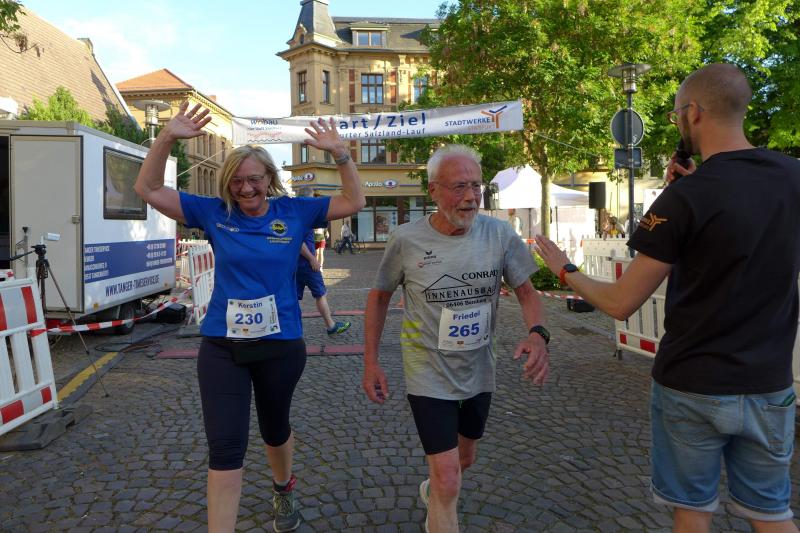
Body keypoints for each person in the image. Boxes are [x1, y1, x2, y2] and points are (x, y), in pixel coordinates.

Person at [535, 63, 800, 533]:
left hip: (693, 382)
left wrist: (564, 269)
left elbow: (620, 303)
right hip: (769, 382)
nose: (678, 122)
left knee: (692, 511)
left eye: (677, 114)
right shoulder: (792, 177)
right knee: (772, 513)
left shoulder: (684, 197)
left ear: (694, 113)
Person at [134, 101, 365, 533]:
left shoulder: (294, 211)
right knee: (225, 447)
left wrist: (341, 154)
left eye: (254, 179)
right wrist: (165, 137)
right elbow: (147, 189)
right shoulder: (214, 212)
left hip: (281, 346)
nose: (246, 189)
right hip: (223, 347)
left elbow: (355, 200)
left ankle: (283, 487)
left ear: (269, 179)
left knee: (275, 429)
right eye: (237, 181)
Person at [362, 144, 550, 533]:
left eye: (476, 186)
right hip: (426, 369)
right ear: (433, 190)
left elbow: (527, 292)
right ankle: (441, 496)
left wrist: (538, 334)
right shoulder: (406, 240)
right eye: (459, 187)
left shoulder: (499, 234)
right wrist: (371, 361)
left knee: (464, 461)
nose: (470, 197)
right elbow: (379, 297)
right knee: (449, 475)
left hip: (479, 369)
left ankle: (433, 491)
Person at [295, 187, 351, 336]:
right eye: (313, 198)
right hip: (307, 265)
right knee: (320, 294)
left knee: (293, 297)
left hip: (295, 265)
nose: (314, 200)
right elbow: (298, 241)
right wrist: (312, 258)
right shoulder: (303, 215)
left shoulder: (296, 213)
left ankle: (294, 328)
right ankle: (331, 326)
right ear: (308, 199)